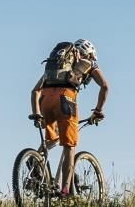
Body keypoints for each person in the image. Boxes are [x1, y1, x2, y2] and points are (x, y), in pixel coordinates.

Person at [28, 38, 109, 194]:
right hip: (66, 100)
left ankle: (35, 160)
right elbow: (105, 86)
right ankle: (65, 192)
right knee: (69, 147)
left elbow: (34, 91)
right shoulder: (89, 63)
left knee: (53, 138)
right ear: (89, 54)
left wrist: (36, 112)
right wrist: (98, 111)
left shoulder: (57, 67)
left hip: (44, 101)